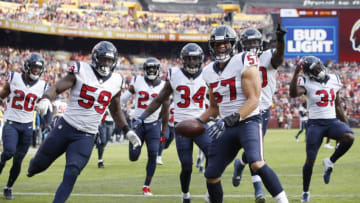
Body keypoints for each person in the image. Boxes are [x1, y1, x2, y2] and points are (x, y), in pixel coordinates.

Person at [26, 41, 141, 203]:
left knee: (71, 173)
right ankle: (33, 168)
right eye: (103, 59)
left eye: (109, 60)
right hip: (65, 127)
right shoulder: (81, 70)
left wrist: (127, 130)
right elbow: (57, 88)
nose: (106, 63)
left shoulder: (116, 80)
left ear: (114, 61)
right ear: (95, 58)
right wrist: (45, 98)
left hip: (86, 135)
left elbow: (115, 110)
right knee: (38, 165)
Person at [197, 25, 288, 203]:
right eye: (217, 45)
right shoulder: (208, 72)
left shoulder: (246, 59)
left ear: (233, 44)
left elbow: (254, 99)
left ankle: (283, 201)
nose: (221, 48)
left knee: (256, 162)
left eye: (225, 44)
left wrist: (229, 120)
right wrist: (196, 121)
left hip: (248, 121)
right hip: (226, 126)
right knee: (211, 174)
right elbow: (214, 108)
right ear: (211, 47)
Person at [132, 43, 211, 203]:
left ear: (200, 60)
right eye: (188, 59)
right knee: (187, 167)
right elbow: (160, 99)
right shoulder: (174, 75)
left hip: (201, 123)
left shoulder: (208, 74)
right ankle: (185, 195)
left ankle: (211, 192)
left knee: (213, 154)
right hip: (181, 126)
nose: (192, 62)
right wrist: (142, 117)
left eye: (195, 59)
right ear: (182, 60)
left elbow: (217, 99)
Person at [232, 24, 287, 202]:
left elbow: (278, 57)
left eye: (255, 42)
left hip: (262, 111)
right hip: (247, 110)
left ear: (261, 44)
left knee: (251, 154)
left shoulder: (267, 56)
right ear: (242, 45)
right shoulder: (238, 60)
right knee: (255, 153)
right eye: (248, 43)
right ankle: (258, 190)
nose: (252, 46)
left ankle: (240, 163)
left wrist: (280, 41)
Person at [289, 56, 354, 202]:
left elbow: (337, 105)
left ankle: (330, 162)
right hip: (315, 124)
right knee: (310, 159)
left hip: (331, 122)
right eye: (315, 68)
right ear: (309, 73)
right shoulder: (305, 81)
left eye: (319, 65)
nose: (319, 69)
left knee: (349, 137)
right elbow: (293, 93)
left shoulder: (334, 79)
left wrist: (345, 125)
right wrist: (295, 74)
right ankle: (305, 192)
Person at [0, 53, 48, 200]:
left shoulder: (43, 85)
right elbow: (3, 94)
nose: (36, 70)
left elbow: (45, 99)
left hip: (27, 125)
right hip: (11, 122)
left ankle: (8, 187)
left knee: (18, 160)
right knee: (8, 152)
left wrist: (46, 102)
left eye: (38, 68)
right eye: (33, 67)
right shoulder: (13, 78)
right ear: (27, 66)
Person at [120, 57, 169, 196]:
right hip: (136, 124)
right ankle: (135, 150)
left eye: (154, 68)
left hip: (153, 125)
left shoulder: (164, 85)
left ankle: (146, 186)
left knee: (153, 155)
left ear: (158, 70)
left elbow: (165, 110)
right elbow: (123, 99)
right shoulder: (137, 81)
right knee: (133, 156)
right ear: (145, 70)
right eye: (149, 68)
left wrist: (163, 131)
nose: (152, 70)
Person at [157, 101, 175, 165]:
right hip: (166, 123)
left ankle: (156, 150)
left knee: (169, 141)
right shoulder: (171, 105)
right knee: (165, 137)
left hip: (174, 125)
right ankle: (159, 157)